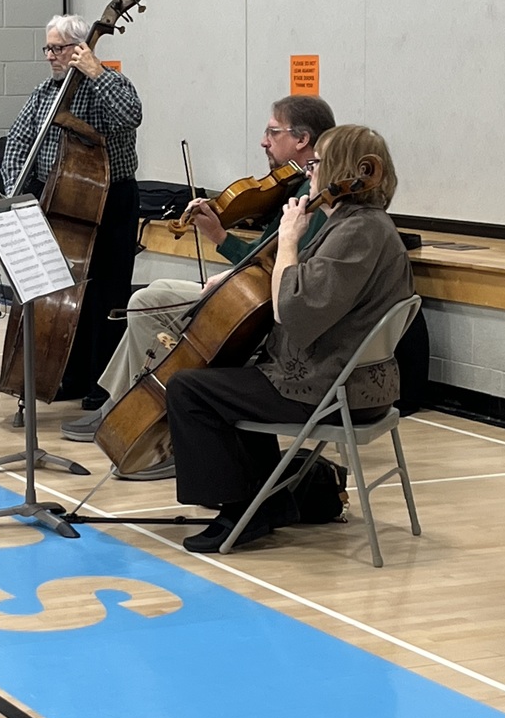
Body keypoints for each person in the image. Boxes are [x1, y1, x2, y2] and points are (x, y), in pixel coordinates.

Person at [168, 124, 415, 553]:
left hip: (335, 389)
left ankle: (243, 509)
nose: (311, 172)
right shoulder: (357, 224)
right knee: (230, 378)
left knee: (190, 388)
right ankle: (267, 498)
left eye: (316, 163)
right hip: (348, 379)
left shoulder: (357, 233)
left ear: (339, 169)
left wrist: (287, 240)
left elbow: (291, 309)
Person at [61, 96, 336, 480]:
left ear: (303, 140)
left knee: (148, 301)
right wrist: (219, 235)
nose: (263, 141)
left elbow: (283, 266)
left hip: (264, 307)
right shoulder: (294, 188)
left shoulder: (316, 199)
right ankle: (122, 405)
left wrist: (227, 258)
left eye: (273, 132)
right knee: (151, 300)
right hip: (251, 289)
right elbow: (265, 254)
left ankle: (132, 411)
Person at [0, 13, 143, 410]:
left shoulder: (108, 86)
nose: (49, 56)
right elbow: (17, 143)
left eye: (57, 48)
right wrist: (16, 192)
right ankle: (70, 376)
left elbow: (131, 115)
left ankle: (103, 384)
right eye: (47, 47)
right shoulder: (45, 93)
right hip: (58, 201)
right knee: (67, 293)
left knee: (105, 294)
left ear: (81, 49)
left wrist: (96, 71)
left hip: (111, 198)